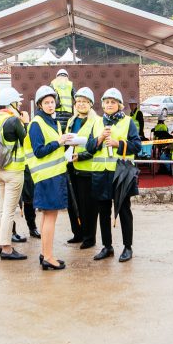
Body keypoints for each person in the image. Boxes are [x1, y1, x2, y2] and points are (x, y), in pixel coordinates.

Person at [27, 85, 76, 270]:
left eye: (52, 101)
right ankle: (48, 257)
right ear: (40, 104)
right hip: (47, 177)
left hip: (55, 175)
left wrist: (65, 143)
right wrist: (59, 142)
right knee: (50, 217)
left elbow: (54, 148)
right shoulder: (36, 124)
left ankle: (44, 253)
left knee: (48, 216)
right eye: (46, 102)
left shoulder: (53, 122)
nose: (50, 105)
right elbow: (39, 151)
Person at [91, 88, 141, 263]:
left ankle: (128, 247)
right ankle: (107, 246)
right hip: (100, 173)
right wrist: (98, 139)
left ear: (119, 105)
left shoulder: (128, 122)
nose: (109, 105)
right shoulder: (97, 123)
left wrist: (117, 143)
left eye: (113, 102)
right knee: (103, 212)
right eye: (107, 102)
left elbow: (137, 146)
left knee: (124, 210)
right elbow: (90, 147)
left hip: (120, 174)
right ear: (103, 104)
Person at [0, 87, 29, 261]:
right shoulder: (13, 121)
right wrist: (25, 122)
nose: (19, 105)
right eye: (17, 103)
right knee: (9, 210)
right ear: (11, 104)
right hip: (13, 171)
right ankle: (7, 248)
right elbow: (26, 140)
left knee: (0, 207)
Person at [67, 87, 103, 250]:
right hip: (71, 166)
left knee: (88, 205)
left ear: (90, 104)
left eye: (84, 101)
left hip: (87, 169)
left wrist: (81, 156)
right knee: (73, 203)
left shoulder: (97, 121)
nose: (80, 104)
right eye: (78, 101)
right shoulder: (71, 120)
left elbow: (97, 145)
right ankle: (78, 233)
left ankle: (89, 237)